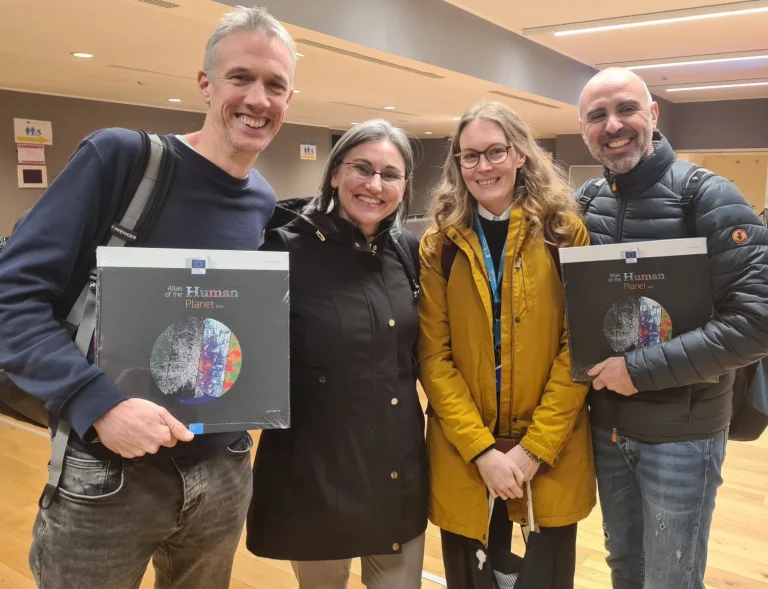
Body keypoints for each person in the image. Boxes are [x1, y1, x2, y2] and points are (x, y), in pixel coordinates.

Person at [0, 7, 295, 589]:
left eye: (275, 85)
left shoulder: (261, 199)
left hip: (224, 468)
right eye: (241, 78)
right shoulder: (121, 159)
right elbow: (10, 296)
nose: (258, 98)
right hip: (107, 474)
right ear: (206, 85)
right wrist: (98, 404)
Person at [575, 67, 768, 589]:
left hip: (683, 436)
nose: (613, 125)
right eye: (597, 115)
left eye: (626, 109)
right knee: (625, 566)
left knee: (672, 578)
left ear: (653, 115)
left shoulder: (708, 195)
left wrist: (637, 371)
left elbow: (757, 321)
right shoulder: (586, 203)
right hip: (605, 427)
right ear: (584, 129)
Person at [417, 100, 596, 589]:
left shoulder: (564, 232)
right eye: (469, 156)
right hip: (464, 452)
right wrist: (482, 452)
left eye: (495, 151)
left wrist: (532, 451)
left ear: (521, 155)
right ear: (457, 163)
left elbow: (579, 349)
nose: (483, 166)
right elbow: (434, 357)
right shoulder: (441, 242)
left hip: (552, 449)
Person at [245, 119, 429, 589]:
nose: (375, 185)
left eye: (390, 174)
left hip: (396, 468)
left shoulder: (407, 251)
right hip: (317, 471)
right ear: (333, 173)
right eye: (361, 169)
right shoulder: (282, 249)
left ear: (405, 186)